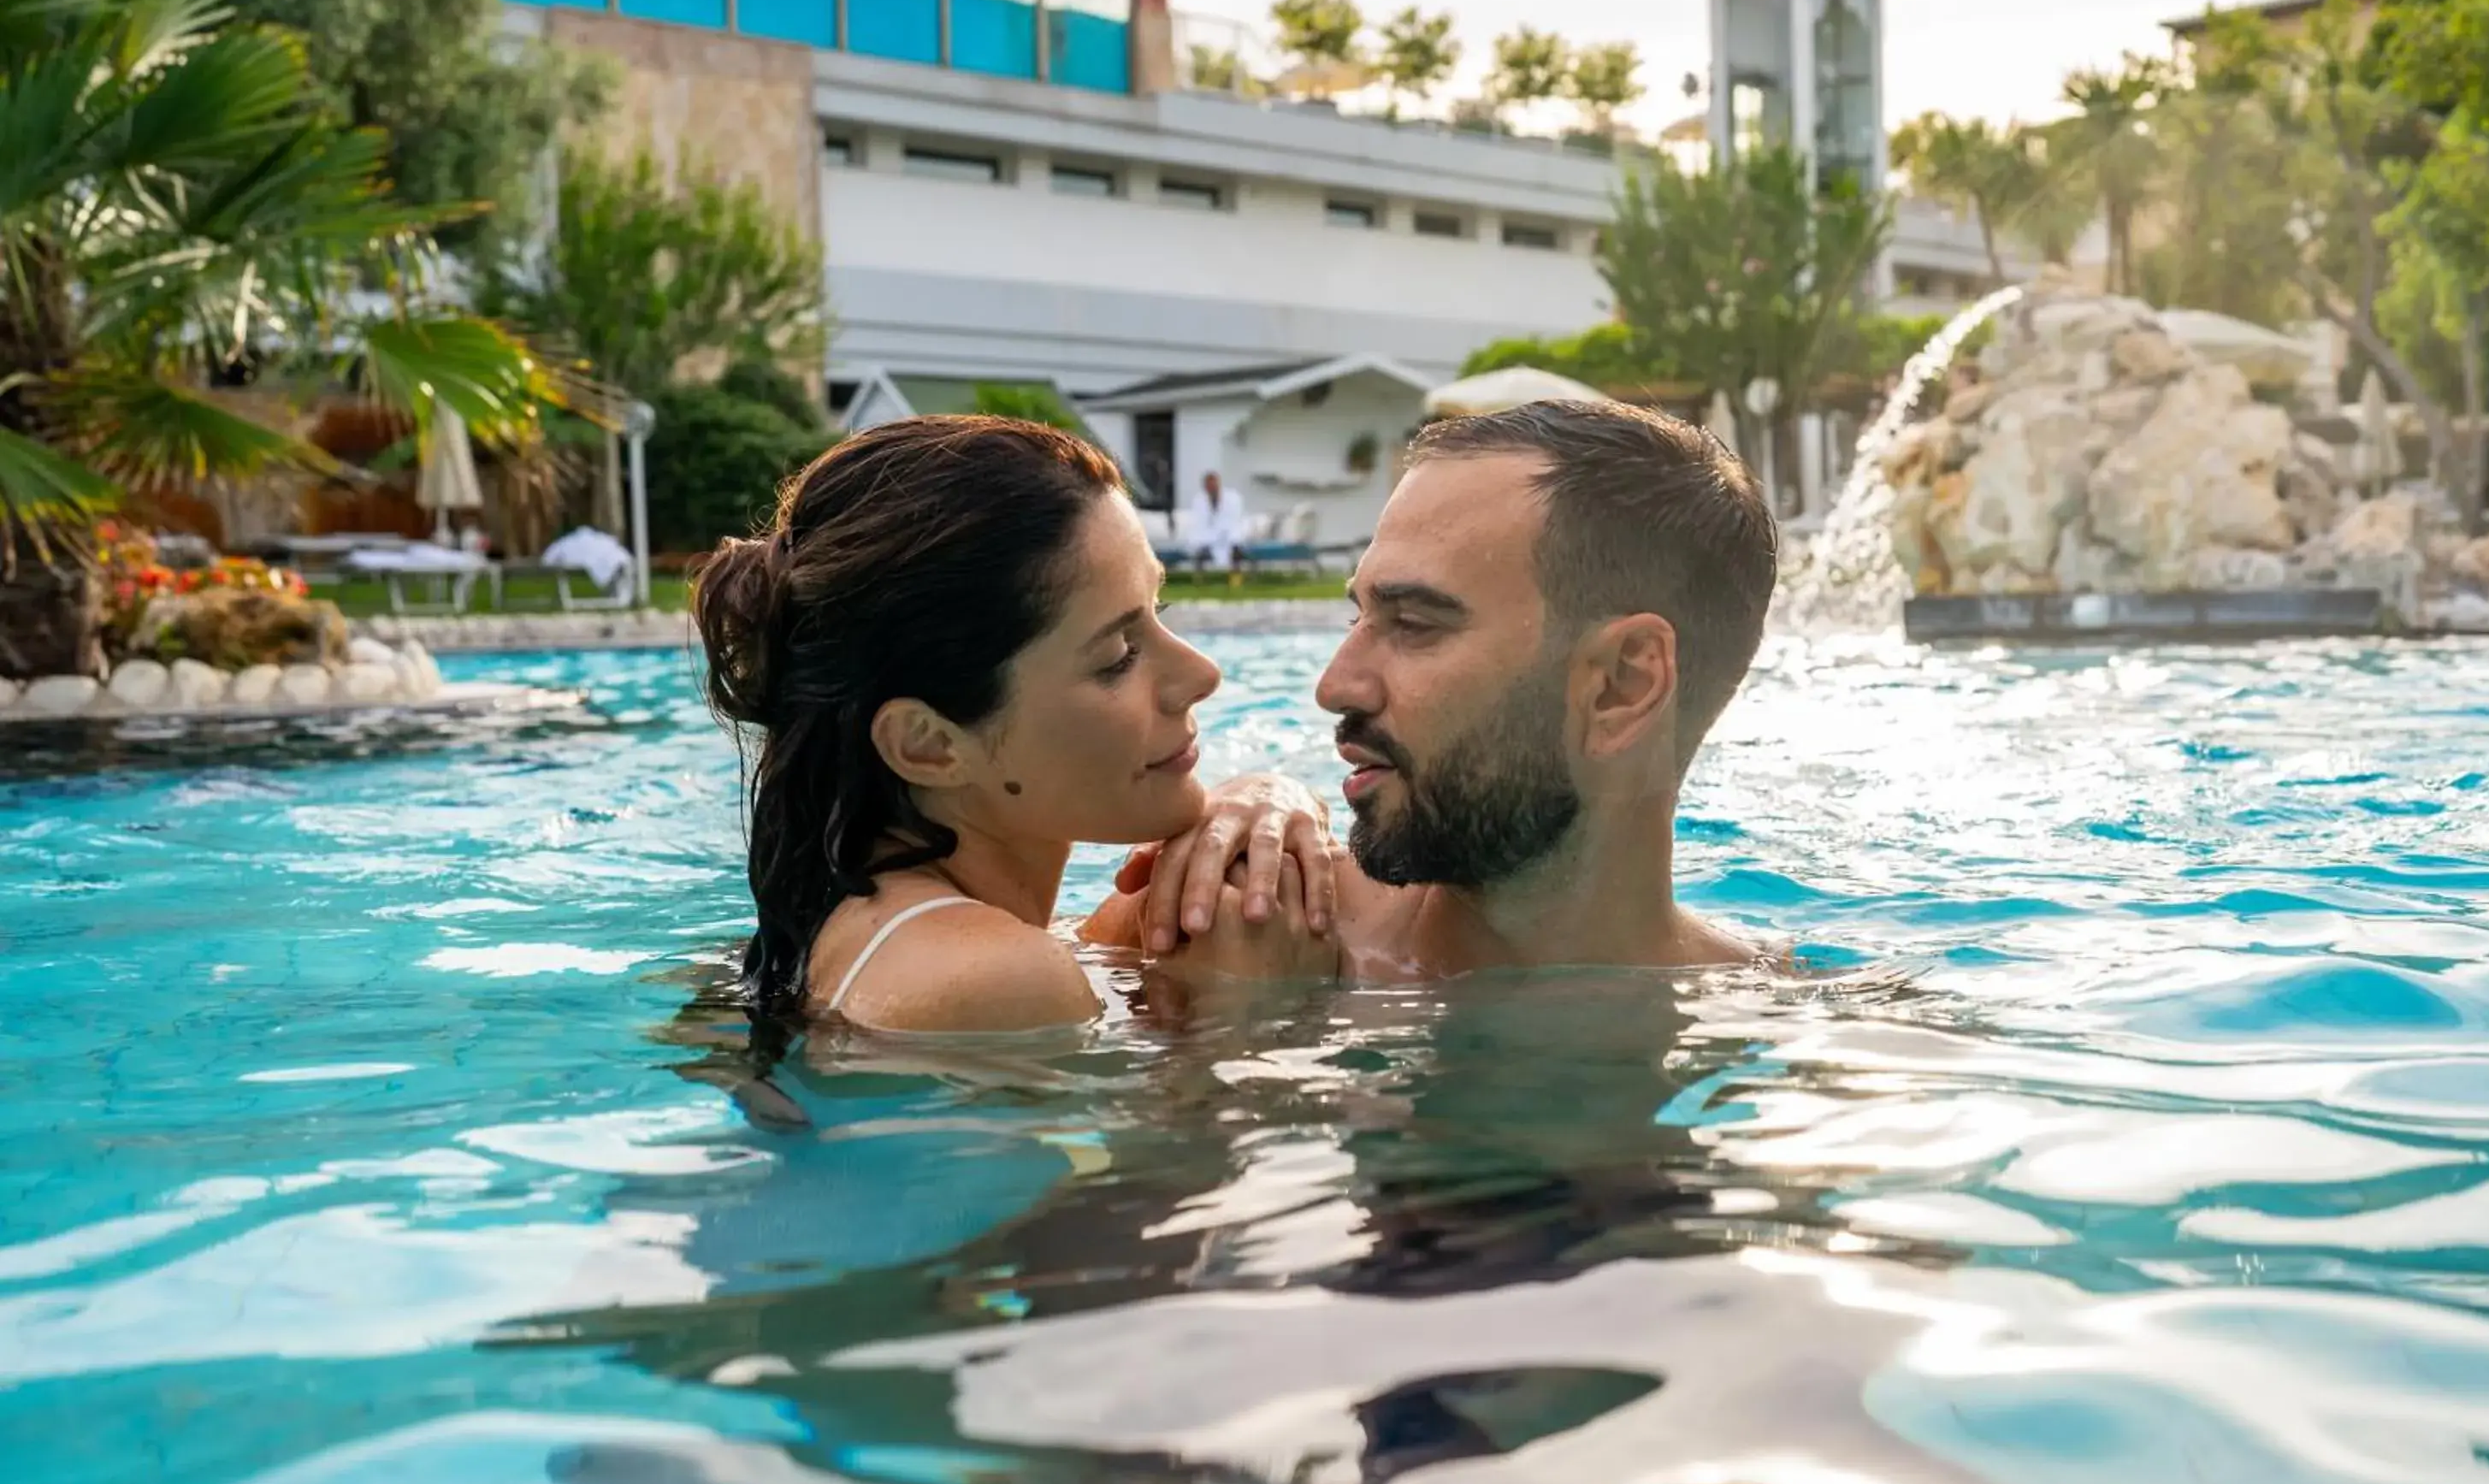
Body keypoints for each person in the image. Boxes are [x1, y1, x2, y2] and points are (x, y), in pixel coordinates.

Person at [692, 416, 1339, 1036]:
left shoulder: (870, 931)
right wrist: (1244, 1020)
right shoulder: (995, 984)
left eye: (1157, 610)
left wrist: (1270, 796)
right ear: (930, 744)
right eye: (1117, 656)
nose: (1201, 673)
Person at [1110, 399, 1779, 980]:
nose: (1335, 685)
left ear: (1621, 685)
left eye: (1414, 624)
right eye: (1360, 615)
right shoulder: (1217, 915)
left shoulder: (1793, 1025)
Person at [1181, 470, 1247, 572]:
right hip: (1207, 536)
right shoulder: (1199, 499)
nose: (1211, 487)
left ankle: (1235, 577)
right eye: (1208, 485)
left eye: (1213, 484)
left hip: (1228, 534)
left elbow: (1234, 519)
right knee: (1198, 548)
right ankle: (1200, 578)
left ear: (1218, 483)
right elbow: (1199, 522)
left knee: (1235, 547)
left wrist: (1223, 533)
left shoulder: (1232, 497)